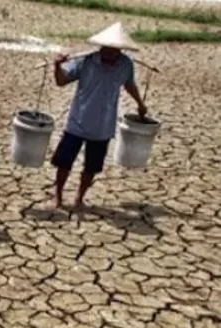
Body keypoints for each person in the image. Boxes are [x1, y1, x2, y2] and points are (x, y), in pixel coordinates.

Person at [51, 22, 148, 209]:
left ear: (120, 50)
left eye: (115, 50)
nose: (110, 53)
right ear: (101, 46)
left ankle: (79, 197)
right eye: (107, 48)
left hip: (102, 127)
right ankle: (58, 196)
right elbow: (61, 81)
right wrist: (57, 66)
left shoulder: (126, 64)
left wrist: (140, 103)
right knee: (64, 163)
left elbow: (129, 84)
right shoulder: (85, 61)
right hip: (77, 122)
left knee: (91, 167)